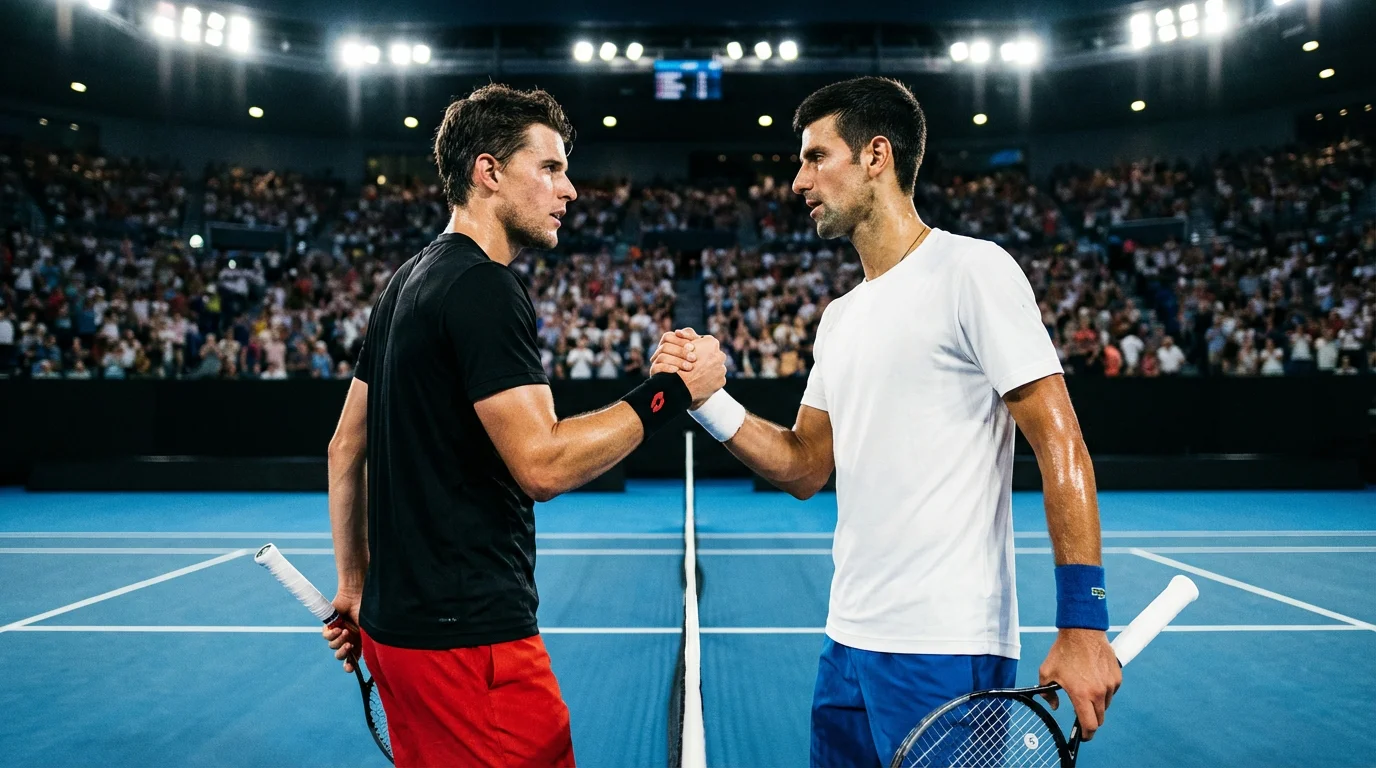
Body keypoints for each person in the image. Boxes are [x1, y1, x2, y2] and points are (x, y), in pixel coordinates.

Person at [651, 76, 1120, 767]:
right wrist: (707, 400)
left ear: (877, 156)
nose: (798, 182)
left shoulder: (973, 270)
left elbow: (1061, 444)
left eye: (816, 157)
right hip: (847, 642)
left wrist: (1084, 622)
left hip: (946, 648)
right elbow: (804, 466)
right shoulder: (840, 317)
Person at [321, 84, 724, 768]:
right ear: (489, 171)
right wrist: (671, 392)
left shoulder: (404, 282)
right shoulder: (484, 285)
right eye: (550, 168)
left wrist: (356, 589)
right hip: (470, 645)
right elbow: (543, 465)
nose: (569, 190)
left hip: (397, 637)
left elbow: (343, 448)